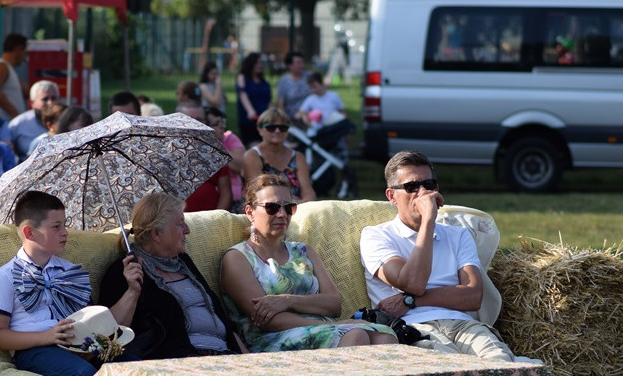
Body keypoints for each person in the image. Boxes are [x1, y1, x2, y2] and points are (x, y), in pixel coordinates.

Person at [359, 150, 518, 361]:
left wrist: (408, 301)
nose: (423, 193)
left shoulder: (458, 234)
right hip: (413, 327)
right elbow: (412, 283)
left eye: (429, 185)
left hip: (463, 325)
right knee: (452, 372)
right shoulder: (376, 235)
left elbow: (473, 296)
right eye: (412, 187)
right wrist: (428, 221)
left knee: (503, 367)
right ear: (392, 196)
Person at [0, 191, 142, 376]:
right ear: (29, 233)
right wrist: (45, 337)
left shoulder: (69, 270)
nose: (65, 232)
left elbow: (90, 318)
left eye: (65, 225)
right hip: (35, 349)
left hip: (78, 344)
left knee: (133, 367)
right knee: (83, 374)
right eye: (56, 227)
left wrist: (131, 291)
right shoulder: (6, 276)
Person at [220, 174, 397, 352]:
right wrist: (329, 324)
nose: (282, 214)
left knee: (385, 336)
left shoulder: (303, 251)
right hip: (271, 339)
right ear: (250, 212)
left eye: (288, 208)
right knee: (356, 334)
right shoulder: (238, 258)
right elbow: (267, 321)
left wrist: (287, 301)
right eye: (272, 207)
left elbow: (334, 304)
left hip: (324, 330)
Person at [99, 192, 244, 359]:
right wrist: (132, 292)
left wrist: (249, 360)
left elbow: (219, 316)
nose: (187, 230)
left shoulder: (183, 263)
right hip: (181, 361)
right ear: (156, 234)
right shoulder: (126, 271)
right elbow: (109, 335)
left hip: (225, 355)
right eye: (180, 224)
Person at [243, 108, 315, 201]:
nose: (277, 131)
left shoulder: (297, 157)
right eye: (271, 127)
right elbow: (256, 193)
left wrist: (304, 204)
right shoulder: (252, 156)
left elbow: (308, 191)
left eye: (283, 127)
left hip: (297, 208)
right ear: (260, 130)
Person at [176, 102, 231, 212]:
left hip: (210, 221)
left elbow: (226, 193)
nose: (195, 123)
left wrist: (216, 218)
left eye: (199, 119)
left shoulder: (215, 152)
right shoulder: (168, 152)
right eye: (189, 119)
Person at [205, 106, 244, 209]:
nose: (223, 126)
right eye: (217, 124)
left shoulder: (230, 139)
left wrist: (216, 145)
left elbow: (240, 166)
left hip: (233, 200)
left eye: (222, 122)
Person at [8, 80, 59, 159]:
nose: (50, 103)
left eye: (53, 98)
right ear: (32, 103)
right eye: (45, 99)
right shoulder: (18, 124)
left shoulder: (66, 121)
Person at [0, 33, 29, 122]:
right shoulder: (0, 66)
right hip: (4, 123)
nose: (26, 59)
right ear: (19, 49)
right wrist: (15, 114)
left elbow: (27, 91)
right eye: (26, 53)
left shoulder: (9, 69)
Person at [235, 52, 272, 145]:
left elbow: (268, 101)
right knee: (255, 146)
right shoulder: (242, 78)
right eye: (258, 63)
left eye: (261, 63)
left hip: (264, 120)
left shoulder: (263, 82)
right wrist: (250, 111)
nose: (260, 65)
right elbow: (243, 95)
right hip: (250, 121)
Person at [275, 51, 311, 122]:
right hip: (293, 118)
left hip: (311, 116)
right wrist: (285, 120)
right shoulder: (284, 81)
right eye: (298, 63)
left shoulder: (309, 76)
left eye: (302, 62)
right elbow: (280, 104)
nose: (301, 65)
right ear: (289, 65)